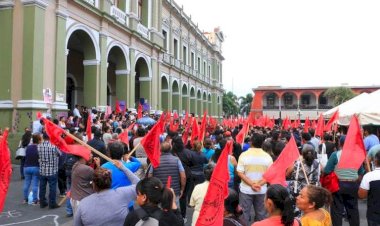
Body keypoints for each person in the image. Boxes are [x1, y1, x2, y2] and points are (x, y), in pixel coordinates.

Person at [74, 162, 140, 226]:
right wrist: (123, 168)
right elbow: (139, 185)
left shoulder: (84, 204)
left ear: (93, 184)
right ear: (110, 181)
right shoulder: (122, 194)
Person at [324, 135, 365, 226]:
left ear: (340, 143)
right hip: (353, 185)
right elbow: (361, 172)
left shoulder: (335, 155)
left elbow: (327, 170)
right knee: (353, 210)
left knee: (336, 210)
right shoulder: (357, 156)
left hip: (338, 185)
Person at [237, 133, 273, 225]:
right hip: (261, 190)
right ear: (262, 143)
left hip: (246, 190)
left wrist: (252, 184)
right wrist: (258, 184)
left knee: (244, 214)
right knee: (261, 215)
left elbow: (240, 172)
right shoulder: (268, 157)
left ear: (251, 142)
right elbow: (270, 175)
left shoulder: (243, 155)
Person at [38, 132, 61, 209]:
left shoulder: (39, 146)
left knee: (42, 187)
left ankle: (42, 202)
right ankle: (52, 203)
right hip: (52, 170)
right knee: (52, 187)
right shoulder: (53, 146)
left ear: (43, 137)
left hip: (42, 170)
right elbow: (60, 154)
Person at [358, 151, 380, 226]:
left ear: (375, 161)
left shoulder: (369, 176)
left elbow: (361, 195)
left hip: (374, 214)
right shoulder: (369, 176)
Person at [22, 133, 41, 205]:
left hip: (26, 167)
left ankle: (25, 199)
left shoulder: (28, 147)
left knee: (26, 183)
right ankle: (35, 199)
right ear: (39, 140)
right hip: (35, 167)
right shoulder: (39, 147)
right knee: (35, 184)